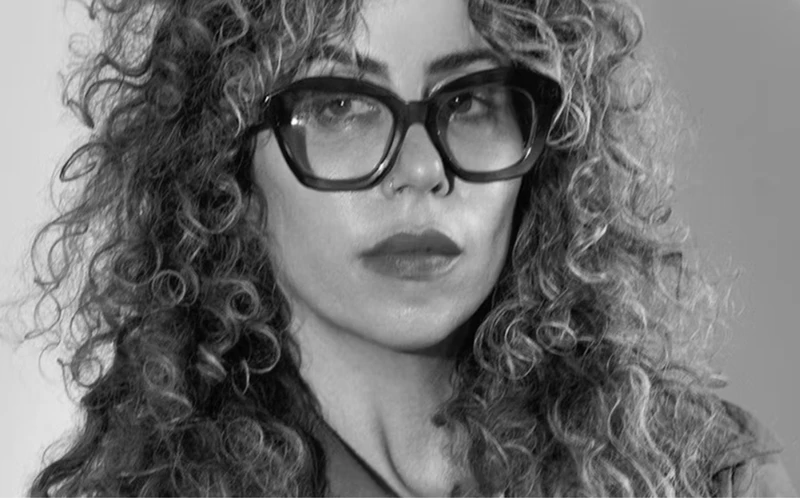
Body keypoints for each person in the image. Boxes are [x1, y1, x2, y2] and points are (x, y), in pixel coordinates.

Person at [26, 0, 795, 495]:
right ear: (223, 162)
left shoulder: (703, 475)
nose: (422, 170)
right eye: (339, 106)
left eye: (471, 100)